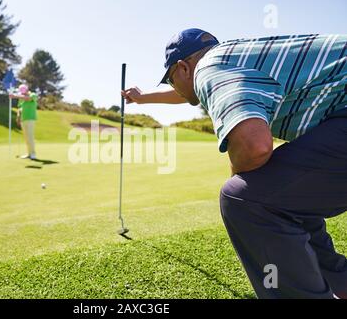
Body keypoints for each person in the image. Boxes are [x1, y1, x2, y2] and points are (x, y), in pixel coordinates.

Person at [123, 28, 347, 299]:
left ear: (183, 67)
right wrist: (143, 98)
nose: (173, 88)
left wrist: (243, 186)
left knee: (244, 197)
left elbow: (255, 146)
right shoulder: (233, 58)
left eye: (171, 80)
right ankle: (339, 284)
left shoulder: (208, 69)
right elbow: (189, 93)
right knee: (283, 194)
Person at [10, 84, 38, 160]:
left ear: (26, 90)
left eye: (23, 92)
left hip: (30, 118)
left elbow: (28, 99)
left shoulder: (33, 95)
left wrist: (15, 96)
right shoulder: (21, 98)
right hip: (23, 119)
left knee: (30, 137)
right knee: (26, 138)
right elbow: (20, 108)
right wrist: (18, 117)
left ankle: (33, 154)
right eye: (21, 92)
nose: (22, 93)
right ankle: (29, 153)